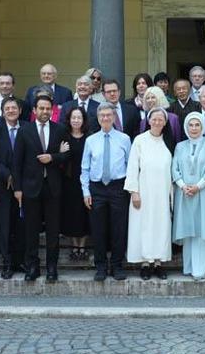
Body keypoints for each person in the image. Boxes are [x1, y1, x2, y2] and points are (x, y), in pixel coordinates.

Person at [12, 94, 69, 282]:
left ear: (52, 111)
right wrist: (17, 189)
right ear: (34, 110)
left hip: (53, 187)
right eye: (41, 108)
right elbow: (17, 162)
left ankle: (52, 267)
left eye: (48, 109)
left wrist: (53, 157)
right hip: (30, 188)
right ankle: (32, 267)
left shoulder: (60, 129)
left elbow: (67, 156)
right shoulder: (24, 131)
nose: (45, 112)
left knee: (53, 231)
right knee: (31, 230)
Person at [80, 102, 132, 281]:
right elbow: (85, 168)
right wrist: (86, 192)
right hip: (97, 189)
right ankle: (101, 266)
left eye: (109, 115)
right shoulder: (90, 140)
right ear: (98, 118)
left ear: (114, 117)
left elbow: (130, 166)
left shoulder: (124, 139)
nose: (105, 118)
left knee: (118, 228)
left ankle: (117, 265)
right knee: (98, 229)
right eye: (102, 115)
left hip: (118, 187)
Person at [172, 112, 205, 280]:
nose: (194, 128)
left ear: (202, 127)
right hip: (185, 193)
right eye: (191, 125)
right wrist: (183, 186)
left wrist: (197, 186)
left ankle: (200, 269)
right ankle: (188, 266)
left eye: (197, 125)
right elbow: (174, 169)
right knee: (188, 229)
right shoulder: (180, 146)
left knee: (204, 229)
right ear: (186, 127)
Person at [125, 107, 174, 280]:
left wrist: (172, 196)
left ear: (165, 122)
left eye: (161, 119)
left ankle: (159, 263)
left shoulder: (168, 141)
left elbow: (173, 169)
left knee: (161, 227)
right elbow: (132, 167)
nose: (157, 122)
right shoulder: (139, 140)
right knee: (144, 227)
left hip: (162, 194)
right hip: (143, 192)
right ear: (148, 120)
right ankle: (146, 263)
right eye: (154, 119)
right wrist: (134, 192)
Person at [0, 97, 27, 279]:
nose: (11, 111)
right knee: (5, 226)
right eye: (7, 108)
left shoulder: (27, 127)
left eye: (14, 108)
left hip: (24, 186)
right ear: (2, 111)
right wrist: (7, 175)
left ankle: (21, 261)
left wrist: (17, 179)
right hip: (2, 186)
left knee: (22, 225)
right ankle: (7, 263)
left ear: (20, 110)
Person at [61, 108, 91, 261]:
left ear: (83, 120)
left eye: (79, 118)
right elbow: (59, 160)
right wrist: (61, 152)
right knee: (72, 214)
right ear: (69, 119)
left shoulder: (89, 138)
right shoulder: (64, 137)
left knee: (84, 214)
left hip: (86, 181)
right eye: (74, 117)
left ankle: (83, 247)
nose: (76, 120)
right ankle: (74, 246)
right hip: (69, 181)